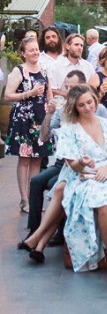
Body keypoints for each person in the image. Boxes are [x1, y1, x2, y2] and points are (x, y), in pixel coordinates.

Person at [57, 84, 107, 277]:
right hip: (83, 178)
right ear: (75, 107)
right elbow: (72, 166)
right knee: (106, 207)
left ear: (95, 99)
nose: (87, 107)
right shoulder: (69, 130)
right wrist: (81, 162)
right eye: (81, 105)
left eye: (89, 102)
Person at [22, 70, 107, 243]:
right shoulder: (62, 110)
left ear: (83, 87)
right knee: (37, 181)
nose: (68, 91)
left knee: (56, 185)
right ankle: (33, 231)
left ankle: (60, 233)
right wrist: (49, 113)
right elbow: (43, 137)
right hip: (63, 162)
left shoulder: (98, 109)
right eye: (66, 87)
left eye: (72, 87)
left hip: (85, 164)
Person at [3, 33, 53, 213]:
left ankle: (33, 198)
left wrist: (52, 107)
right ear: (23, 53)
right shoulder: (19, 71)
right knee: (24, 159)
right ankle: (24, 199)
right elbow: (7, 95)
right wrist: (29, 94)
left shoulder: (44, 70)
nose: (35, 53)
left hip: (41, 119)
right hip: (23, 120)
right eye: (31, 50)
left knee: (37, 160)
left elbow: (49, 95)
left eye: (37, 50)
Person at [50, 33, 95, 102]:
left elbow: (93, 88)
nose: (80, 48)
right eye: (76, 44)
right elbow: (52, 89)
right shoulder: (56, 66)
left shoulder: (88, 66)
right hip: (63, 105)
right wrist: (71, 96)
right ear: (67, 46)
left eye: (81, 45)